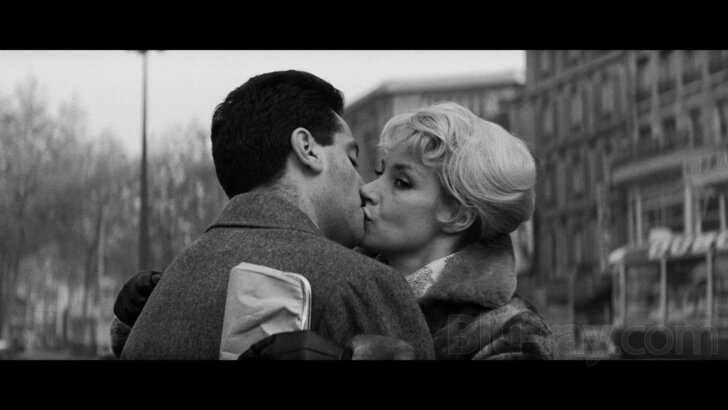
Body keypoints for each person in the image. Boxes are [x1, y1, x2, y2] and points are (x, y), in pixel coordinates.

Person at [118, 70, 435, 360]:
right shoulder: (360, 285)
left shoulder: (160, 297)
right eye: (352, 159)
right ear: (307, 149)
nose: (363, 185)